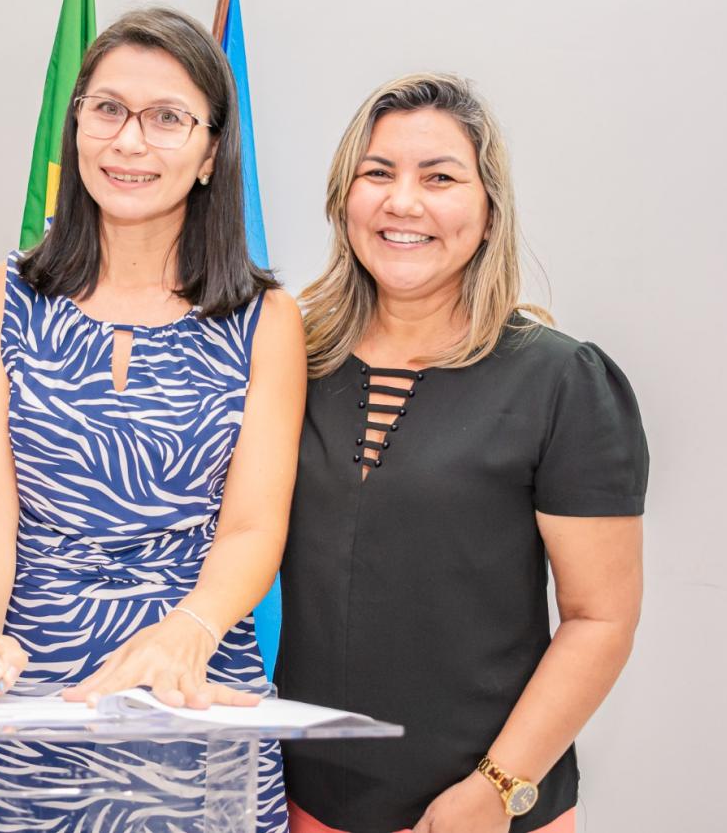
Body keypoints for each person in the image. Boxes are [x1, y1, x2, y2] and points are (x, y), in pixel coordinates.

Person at [0, 7, 305, 833]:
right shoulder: (4, 297)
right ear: (78, 125)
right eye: (108, 109)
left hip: (194, 689)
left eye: (167, 118)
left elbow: (253, 526)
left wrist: (187, 631)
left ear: (211, 152)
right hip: (30, 698)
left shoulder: (265, 318)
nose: (130, 141)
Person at [278, 73, 648, 833]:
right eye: (377, 173)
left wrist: (496, 788)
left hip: (486, 807)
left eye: (439, 178)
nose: (402, 202)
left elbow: (600, 618)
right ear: (344, 200)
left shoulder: (561, 380)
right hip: (305, 798)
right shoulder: (290, 364)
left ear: (488, 213)